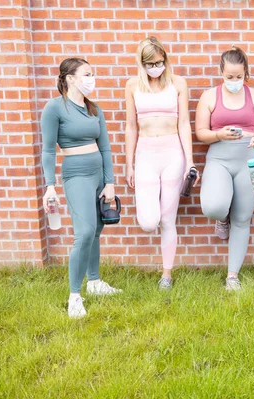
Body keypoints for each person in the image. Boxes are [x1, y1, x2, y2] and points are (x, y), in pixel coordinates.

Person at [41, 58, 121, 319]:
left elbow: (106, 147)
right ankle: (75, 295)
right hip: (75, 174)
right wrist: (49, 186)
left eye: (93, 73)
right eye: (87, 74)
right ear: (70, 78)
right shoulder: (54, 108)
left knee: (96, 230)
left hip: (98, 171)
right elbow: (48, 150)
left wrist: (110, 182)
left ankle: (95, 282)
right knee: (84, 232)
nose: (91, 78)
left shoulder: (94, 109)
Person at [124, 36, 198, 290]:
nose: (156, 67)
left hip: (172, 154)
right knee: (148, 222)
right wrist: (129, 164)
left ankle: (166, 274)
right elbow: (131, 126)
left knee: (168, 220)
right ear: (141, 63)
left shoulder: (178, 83)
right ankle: (153, 230)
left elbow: (184, 123)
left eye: (159, 62)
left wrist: (190, 161)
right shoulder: (133, 85)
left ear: (165, 59)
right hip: (145, 152)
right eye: (150, 63)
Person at [195, 46, 254, 291]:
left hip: (251, 161)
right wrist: (219, 134)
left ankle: (232, 276)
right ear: (221, 73)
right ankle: (222, 216)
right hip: (220, 158)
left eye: (239, 77)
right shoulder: (209, 96)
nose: (234, 81)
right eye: (229, 77)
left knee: (243, 218)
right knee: (213, 207)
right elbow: (200, 133)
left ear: (245, 73)